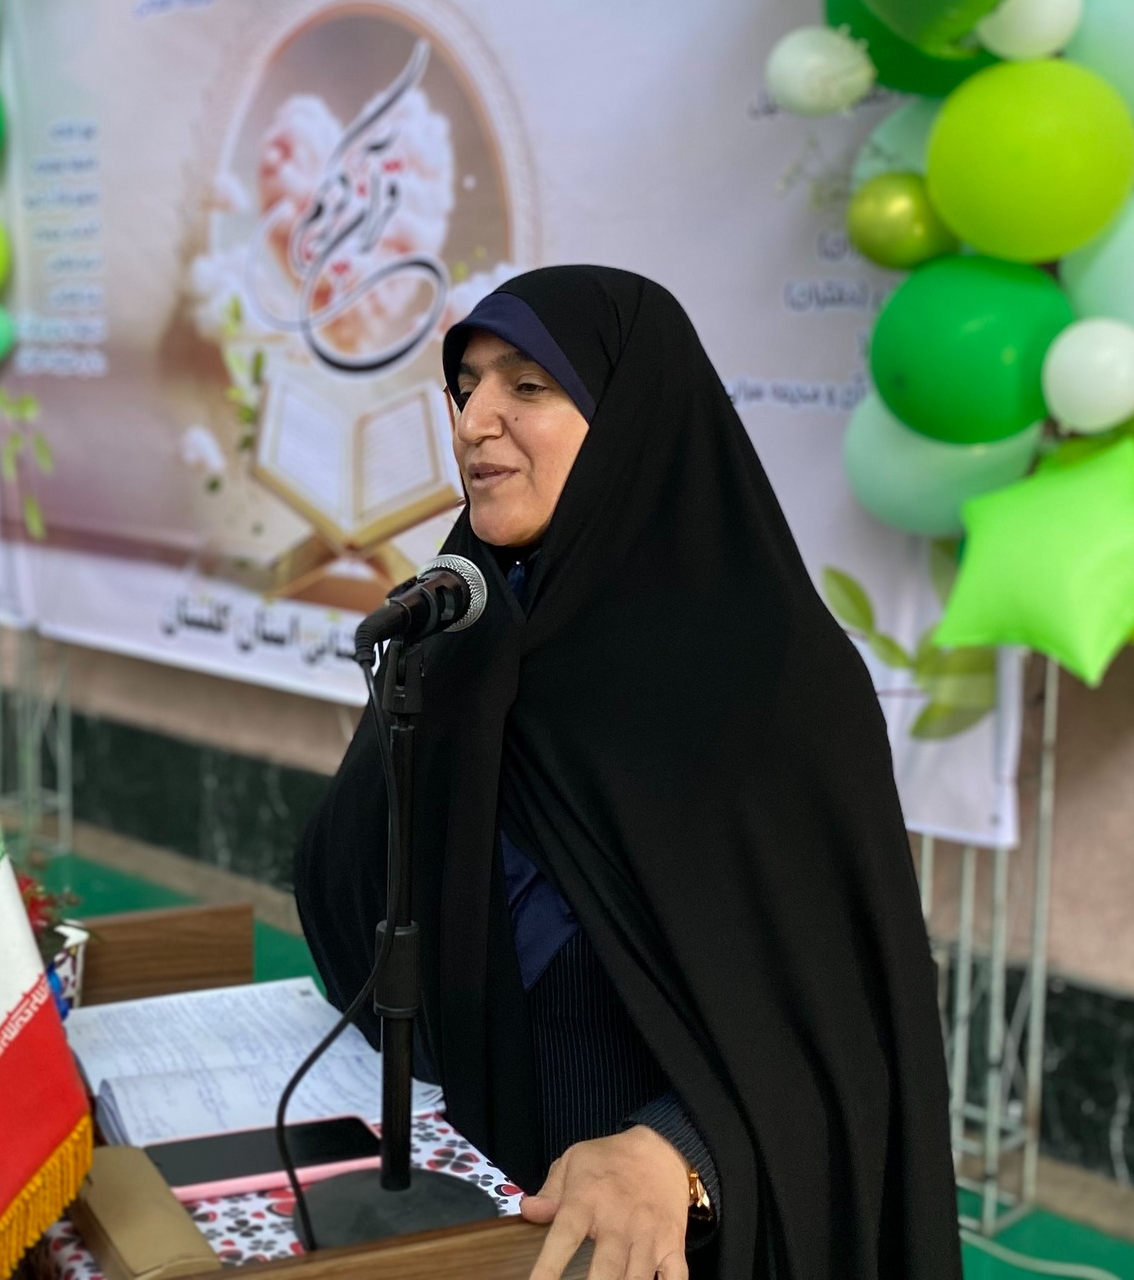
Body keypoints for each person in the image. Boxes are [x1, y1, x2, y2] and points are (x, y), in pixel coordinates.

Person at [294, 266, 961, 1280]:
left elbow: (841, 1021)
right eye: (464, 388)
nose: (473, 422)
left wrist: (680, 1150)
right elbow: (346, 903)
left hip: (669, 1238)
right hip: (466, 1191)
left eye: (527, 386)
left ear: (632, 422)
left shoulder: (775, 679)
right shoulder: (464, 634)